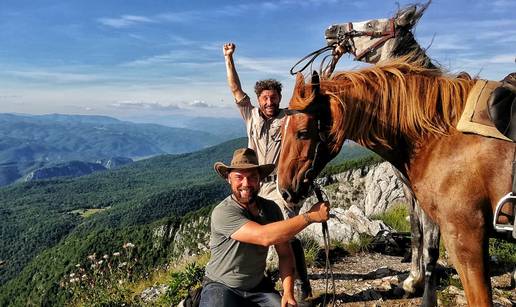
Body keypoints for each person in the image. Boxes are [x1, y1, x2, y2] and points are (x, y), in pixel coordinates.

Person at [223, 42, 313, 299]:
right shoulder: (250, 115)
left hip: (279, 184)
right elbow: (235, 89)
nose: (269, 101)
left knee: (286, 232)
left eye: (273, 97)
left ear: (279, 98)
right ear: (259, 99)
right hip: (252, 182)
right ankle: (250, 280)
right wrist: (229, 58)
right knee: (251, 230)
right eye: (265, 97)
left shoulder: (289, 119)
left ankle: (301, 284)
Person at [199, 148, 330, 307]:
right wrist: (309, 217)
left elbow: (285, 255)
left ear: (260, 178)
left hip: (258, 287)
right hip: (221, 286)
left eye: (252, 177)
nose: (246, 184)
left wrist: (287, 292)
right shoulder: (223, 212)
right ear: (229, 179)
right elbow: (264, 237)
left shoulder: (271, 209)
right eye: (239, 177)